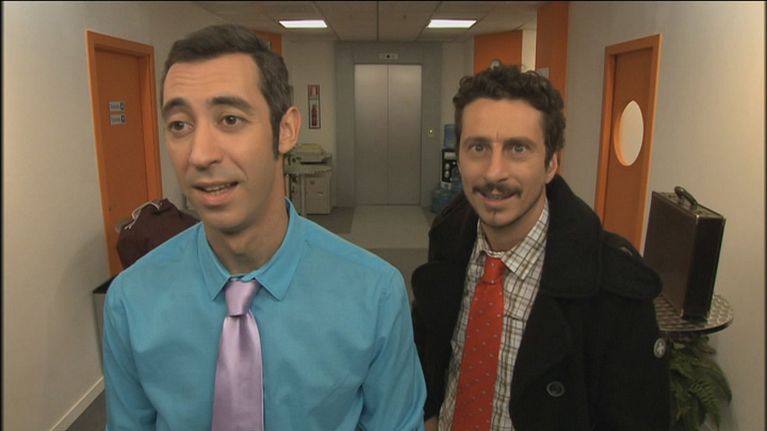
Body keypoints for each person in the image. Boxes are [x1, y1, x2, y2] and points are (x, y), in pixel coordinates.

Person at [103, 24, 426, 430]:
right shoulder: (131, 301)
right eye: (180, 125)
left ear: (286, 130)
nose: (199, 155)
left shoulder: (375, 294)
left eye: (230, 119)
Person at [411, 64, 670, 430]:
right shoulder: (448, 239)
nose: (494, 172)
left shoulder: (614, 288)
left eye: (518, 148)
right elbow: (432, 349)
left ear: (551, 165)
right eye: (478, 147)